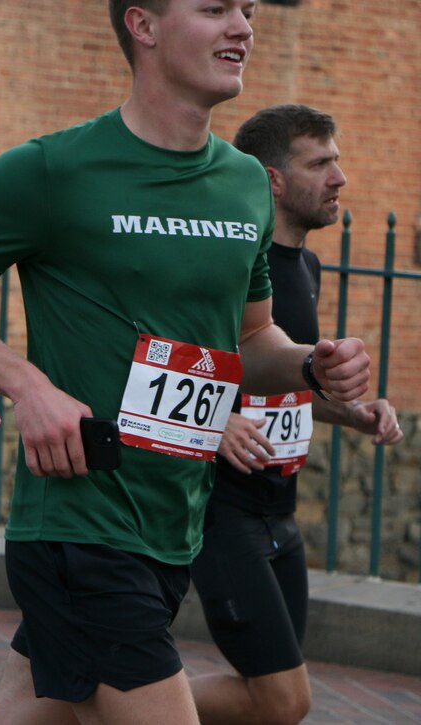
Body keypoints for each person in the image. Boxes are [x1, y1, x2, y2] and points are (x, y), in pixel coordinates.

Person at [0, 2, 373, 724]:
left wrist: (311, 365)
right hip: (82, 522)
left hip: (175, 521)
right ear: (143, 26)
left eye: (246, 9)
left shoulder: (244, 182)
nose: (242, 25)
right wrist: (28, 385)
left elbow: (250, 343)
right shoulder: (50, 168)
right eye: (215, 9)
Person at [189, 104, 404, 725]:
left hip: (280, 516)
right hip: (221, 511)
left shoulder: (305, 265)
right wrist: (215, 422)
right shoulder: (224, 262)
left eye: (336, 160)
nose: (339, 178)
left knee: (266, 703)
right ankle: (90, 708)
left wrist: (354, 413)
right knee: (283, 700)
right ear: (271, 179)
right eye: (321, 163)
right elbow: (168, 365)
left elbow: (278, 380)